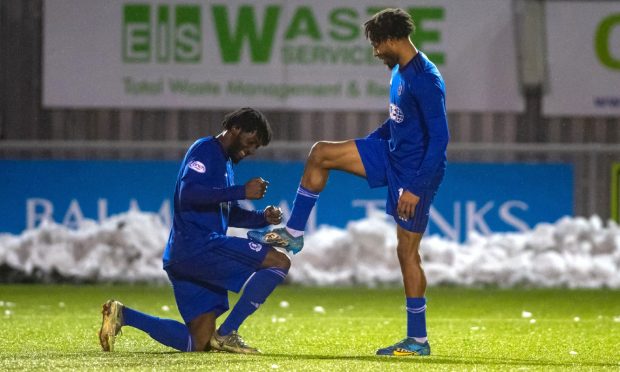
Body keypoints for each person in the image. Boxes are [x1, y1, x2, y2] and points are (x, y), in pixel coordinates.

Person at [248, 8, 449, 357]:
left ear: (391, 40)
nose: (375, 52)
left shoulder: (426, 79)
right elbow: (397, 123)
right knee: (321, 153)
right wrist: (371, 142)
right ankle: (293, 233)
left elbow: (440, 140)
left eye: (376, 45)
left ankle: (417, 340)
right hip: (390, 155)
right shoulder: (400, 73)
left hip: (415, 172)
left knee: (407, 252)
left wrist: (416, 188)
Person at [99, 107, 290, 354]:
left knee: (198, 342)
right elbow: (188, 194)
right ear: (235, 129)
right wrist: (241, 191)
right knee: (279, 262)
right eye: (251, 142)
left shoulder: (224, 163)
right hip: (199, 246)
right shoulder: (206, 150)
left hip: (185, 255)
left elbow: (225, 211)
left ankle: (123, 315)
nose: (251, 150)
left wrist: (262, 217)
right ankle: (227, 332)